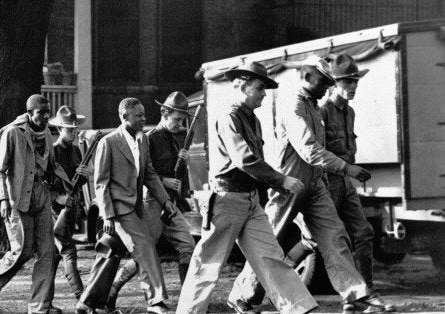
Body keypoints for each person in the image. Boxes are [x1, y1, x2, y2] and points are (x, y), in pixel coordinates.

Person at [231, 57, 395, 313]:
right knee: (270, 241)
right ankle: (242, 295)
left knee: (334, 236)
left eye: (331, 82)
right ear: (307, 77)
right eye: (324, 81)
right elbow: (308, 149)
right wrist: (346, 167)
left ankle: (354, 295)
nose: (327, 87)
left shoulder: (314, 106)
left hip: (316, 184)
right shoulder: (294, 105)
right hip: (290, 185)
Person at [176, 62, 317, 314]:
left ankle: (299, 308)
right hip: (226, 199)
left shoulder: (252, 119)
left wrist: (271, 189)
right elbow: (244, 159)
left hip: (250, 200)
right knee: (207, 264)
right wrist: (281, 180)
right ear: (240, 85)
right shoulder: (229, 116)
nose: (264, 94)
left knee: (271, 257)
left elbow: (255, 163)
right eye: (260, 88)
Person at [76, 97, 178, 314]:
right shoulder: (108, 142)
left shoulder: (142, 140)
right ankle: (155, 301)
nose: (144, 118)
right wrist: (108, 216)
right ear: (124, 117)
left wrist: (165, 200)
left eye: (144, 114)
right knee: (145, 247)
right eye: (139, 115)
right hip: (119, 210)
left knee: (110, 255)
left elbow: (149, 174)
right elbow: (101, 184)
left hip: (136, 208)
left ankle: (86, 303)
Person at [105, 91, 196, 311]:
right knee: (144, 254)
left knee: (188, 245)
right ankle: (111, 292)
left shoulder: (176, 139)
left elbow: (176, 176)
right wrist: (165, 182)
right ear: (164, 113)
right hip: (151, 202)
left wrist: (184, 163)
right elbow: (146, 174)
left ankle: (186, 301)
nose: (179, 124)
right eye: (176, 119)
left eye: (183, 120)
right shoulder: (151, 138)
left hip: (169, 203)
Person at [0, 94, 67, 314]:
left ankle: (40, 305)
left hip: (41, 196)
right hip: (17, 198)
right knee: (23, 251)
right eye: (41, 113)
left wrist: (62, 187)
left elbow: (51, 166)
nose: (45, 117)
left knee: (48, 254)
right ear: (30, 113)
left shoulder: (47, 133)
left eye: (48, 113)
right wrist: (2, 199)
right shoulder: (12, 133)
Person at [321, 55, 394, 311]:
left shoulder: (349, 111)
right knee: (318, 242)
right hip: (326, 183)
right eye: (347, 82)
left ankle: (365, 295)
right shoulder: (322, 111)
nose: (352, 87)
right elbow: (317, 154)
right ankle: (252, 290)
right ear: (333, 84)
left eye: (355, 82)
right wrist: (346, 167)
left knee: (363, 233)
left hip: (346, 183)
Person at [48, 105, 88, 300]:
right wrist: (57, 197)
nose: (73, 132)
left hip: (70, 209)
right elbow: (39, 182)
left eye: (74, 129)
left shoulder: (76, 151)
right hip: (53, 210)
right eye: (69, 129)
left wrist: (84, 176)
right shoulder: (52, 152)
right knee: (68, 251)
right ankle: (82, 298)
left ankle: (42, 301)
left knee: (54, 257)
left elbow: (79, 182)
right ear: (59, 130)